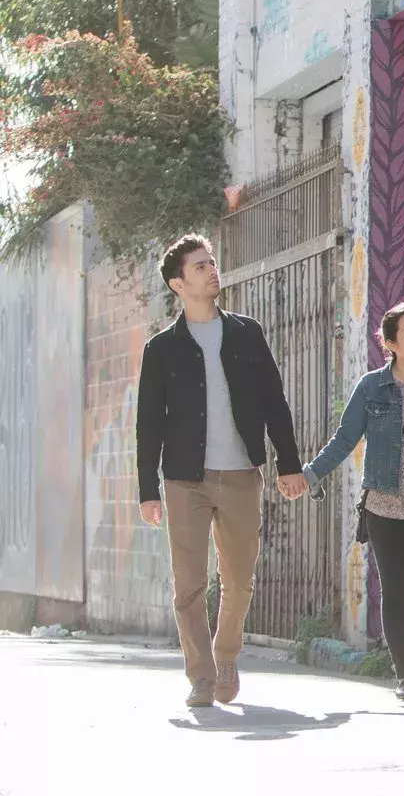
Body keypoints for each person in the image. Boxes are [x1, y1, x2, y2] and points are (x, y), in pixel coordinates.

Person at [136, 234, 308, 709]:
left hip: (239, 473)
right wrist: (147, 490)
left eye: (212, 261)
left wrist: (289, 464)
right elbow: (148, 422)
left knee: (239, 577)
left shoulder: (246, 333)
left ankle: (226, 656)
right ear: (178, 283)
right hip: (184, 478)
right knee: (188, 584)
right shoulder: (162, 349)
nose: (212, 270)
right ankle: (200, 676)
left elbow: (275, 401)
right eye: (199, 266)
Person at [297, 300, 404, 700]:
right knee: (394, 591)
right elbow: (345, 439)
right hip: (385, 508)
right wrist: (312, 472)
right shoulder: (371, 388)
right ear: (390, 342)